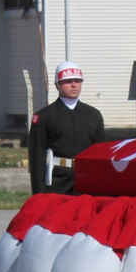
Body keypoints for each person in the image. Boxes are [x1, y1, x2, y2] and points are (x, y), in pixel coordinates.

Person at [27, 61, 105, 194]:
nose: (74, 85)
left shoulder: (93, 115)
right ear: (57, 85)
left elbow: (101, 154)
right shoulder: (44, 116)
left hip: (86, 180)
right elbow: (37, 157)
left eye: (77, 81)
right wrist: (39, 193)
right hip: (57, 181)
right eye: (68, 81)